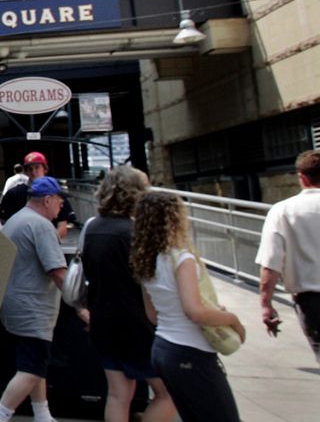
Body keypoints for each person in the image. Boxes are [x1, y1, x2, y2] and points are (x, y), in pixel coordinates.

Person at [131, 191, 245, 422]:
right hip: (190, 351)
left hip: (163, 349)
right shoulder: (182, 259)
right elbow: (194, 311)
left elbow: (152, 314)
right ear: (175, 219)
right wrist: (232, 319)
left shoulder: (146, 261)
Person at [80, 167, 175, 422]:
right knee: (169, 393)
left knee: (118, 395)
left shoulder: (91, 228)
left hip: (103, 322)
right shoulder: (136, 233)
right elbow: (151, 283)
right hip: (138, 326)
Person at [0, 177, 68, 422]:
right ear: (48, 200)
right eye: (60, 201)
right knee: (31, 369)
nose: (61, 207)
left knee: (34, 364)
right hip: (34, 308)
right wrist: (81, 305)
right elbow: (58, 271)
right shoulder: (41, 226)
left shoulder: (16, 219)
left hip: (14, 304)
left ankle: (42, 414)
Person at [256, 149, 320, 363]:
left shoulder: (282, 211)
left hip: (313, 302)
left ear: (301, 177)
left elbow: (270, 264)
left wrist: (266, 304)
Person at [0, 151, 46, 223]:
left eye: (37, 167)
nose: (33, 172)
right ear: (25, 171)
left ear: (45, 169)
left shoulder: (54, 192)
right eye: (30, 169)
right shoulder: (13, 193)